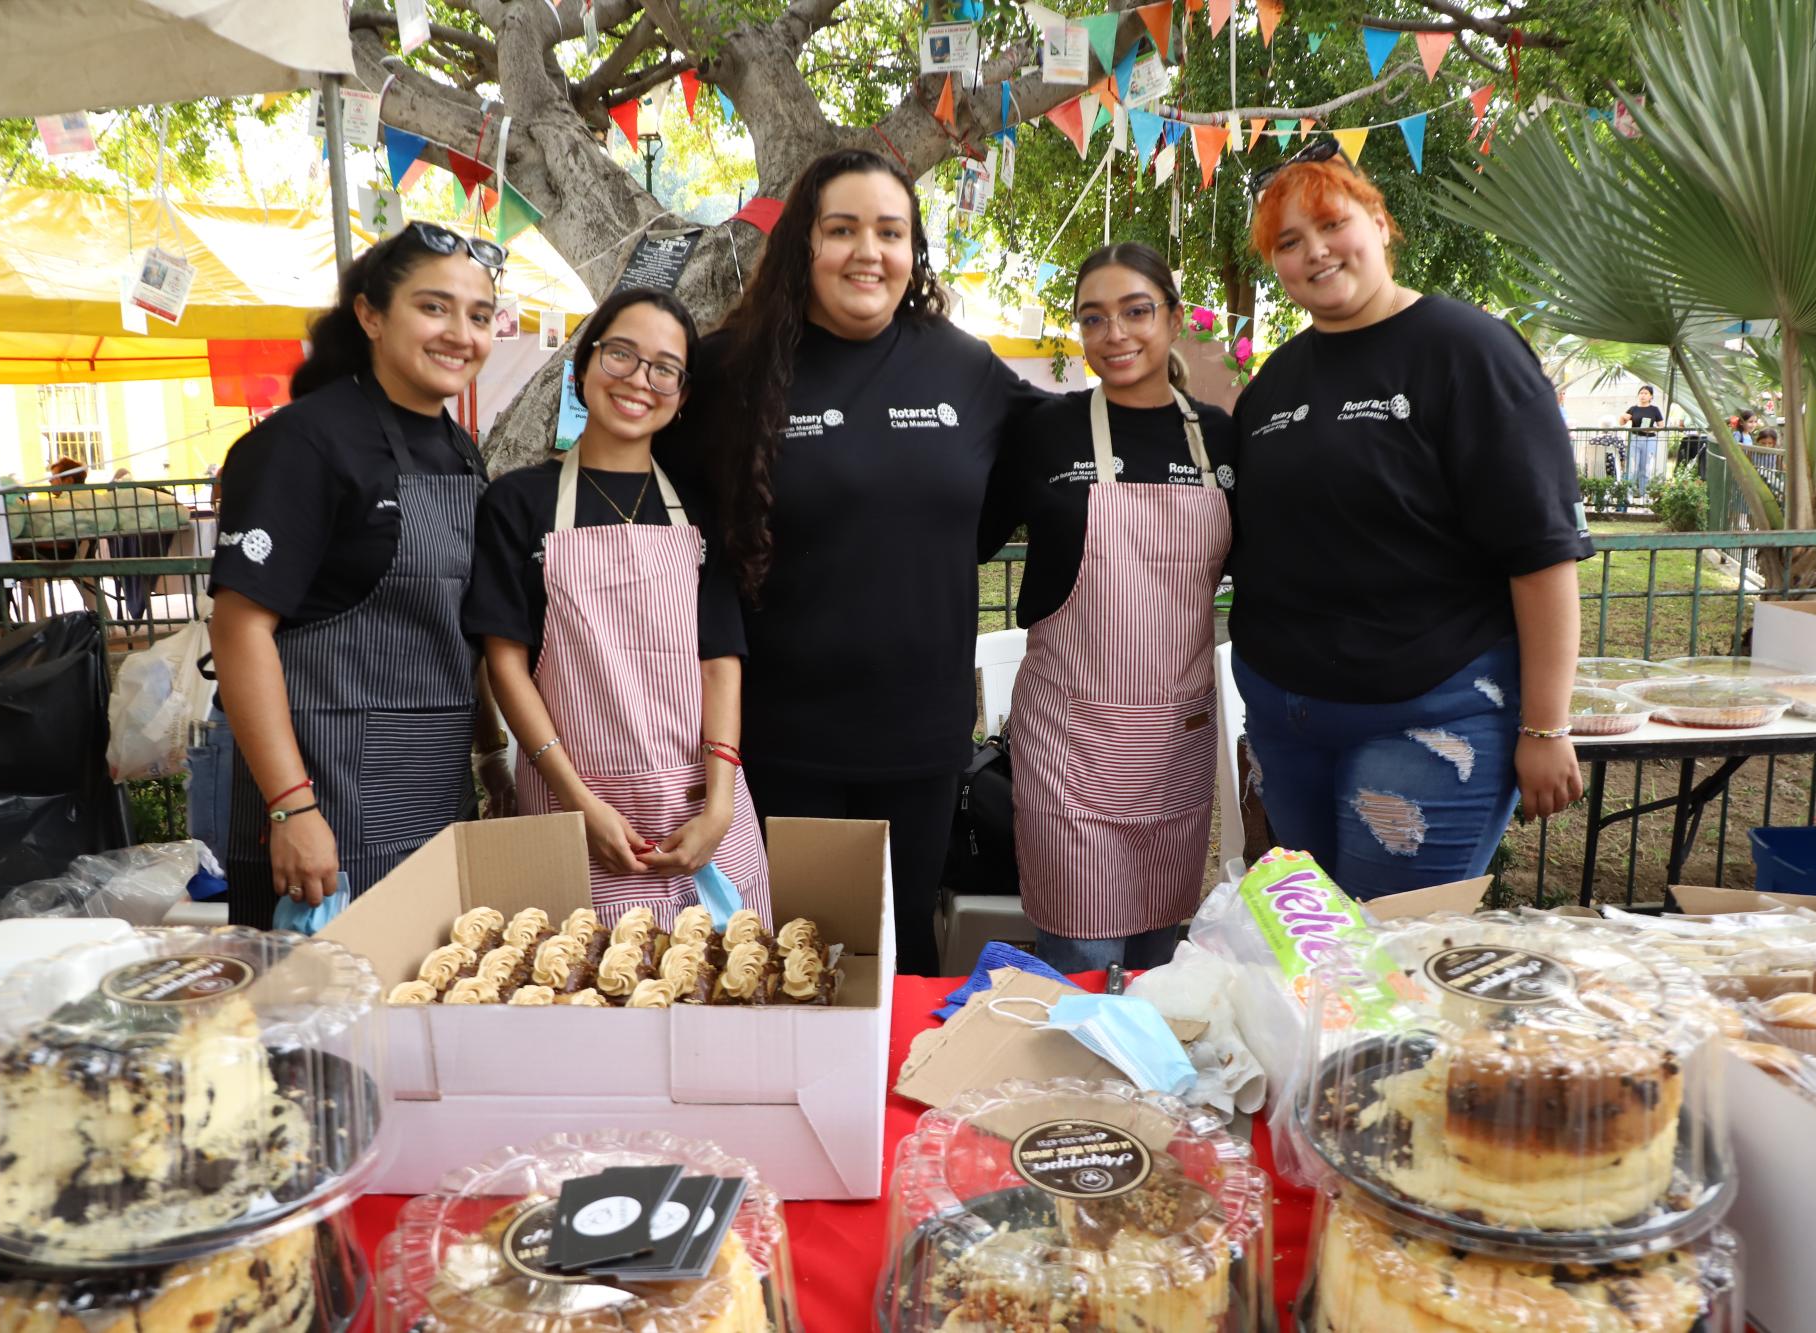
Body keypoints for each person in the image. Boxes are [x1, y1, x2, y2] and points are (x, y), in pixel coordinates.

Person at [660, 147, 1043, 975]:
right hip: (773, 743)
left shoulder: (964, 367)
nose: (868, 251)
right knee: (786, 966)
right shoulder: (730, 370)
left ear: (913, 250)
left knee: (898, 959)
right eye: (842, 230)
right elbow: (660, 522)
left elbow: (1042, 469)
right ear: (804, 243)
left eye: (890, 232)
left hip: (921, 742)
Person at [1226, 137, 1591, 895]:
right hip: (1286, 724)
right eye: (1288, 242)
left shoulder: (1469, 352)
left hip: (1431, 719)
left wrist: (1546, 725)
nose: (1315, 251)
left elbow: (1542, 553)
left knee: (1391, 951)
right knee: (1319, 944)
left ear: (1381, 224)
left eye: (1332, 224)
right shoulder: (1272, 384)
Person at [209, 222, 508, 928]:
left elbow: (461, 630)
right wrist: (292, 806)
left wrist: (492, 754)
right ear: (371, 316)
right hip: (325, 805)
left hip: (435, 799)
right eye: (433, 307)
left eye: (479, 316)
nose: (460, 334)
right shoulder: (303, 443)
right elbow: (238, 629)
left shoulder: (460, 451)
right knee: (329, 999)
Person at [466, 289, 769, 927]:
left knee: (733, 974)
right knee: (578, 976)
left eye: (665, 369)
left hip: (701, 807)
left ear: (683, 395)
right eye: (621, 355)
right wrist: (580, 804)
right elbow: (506, 664)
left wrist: (717, 808)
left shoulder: (701, 509)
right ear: (584, 365)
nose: (639, 380)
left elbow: (720, 661)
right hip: (572, 803)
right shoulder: (517, 503)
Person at [978, 243, 1233, 973]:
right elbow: (968, 535)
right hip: (1068, 743)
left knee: (1157, 960)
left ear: (1174, 319)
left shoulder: (1219, 437)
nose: (1114, 333)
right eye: (1093, 318)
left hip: (1175, 741)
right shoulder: (1046, 431)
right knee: (1083, 964)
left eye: (1135, 311)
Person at [1620, 385, 1664, 499]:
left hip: (1650, 440)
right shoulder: (1633, 409)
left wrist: (1651, 429)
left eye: (1646, 393)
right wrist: (1623, 416)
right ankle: (1628, 497)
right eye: (1641, 393)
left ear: (1651, 396)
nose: (1643, 395)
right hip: (1635, 439)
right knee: (1632, 468)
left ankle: (1644, 496)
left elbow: (1661, 426)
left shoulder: (1654, 409)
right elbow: (1622, 423)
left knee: (1645, 468)